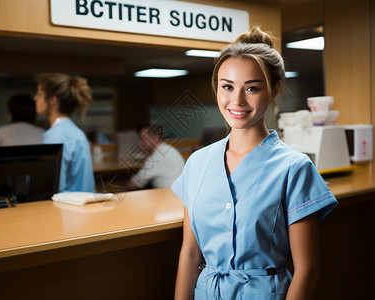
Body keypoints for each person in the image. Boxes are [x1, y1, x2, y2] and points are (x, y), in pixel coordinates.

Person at [171, 26, 338, 300]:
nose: (236, 100)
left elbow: (308, 269)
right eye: (227, 87)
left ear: (274, 90)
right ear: (217, 89)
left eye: (251, 88)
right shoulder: (197, 163)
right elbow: (189, 252)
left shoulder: (294, 168)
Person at [34, 73, 95, 193]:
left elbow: (53, 187)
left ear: (52, 99)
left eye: (39, 94)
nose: (35, 98)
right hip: (84, 206)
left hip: (67, 208)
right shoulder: (77, 132)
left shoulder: (54, 135)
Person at [126, 123, 185, 190]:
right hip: (177, 193)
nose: (141, 143)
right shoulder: (169, 149)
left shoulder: (156, 158)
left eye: (143, 139)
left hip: (167, 195)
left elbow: (133, 184)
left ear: (155, 139)